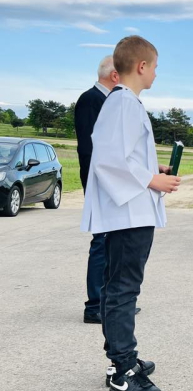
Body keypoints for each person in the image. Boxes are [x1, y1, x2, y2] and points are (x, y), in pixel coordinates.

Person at [81, 35, 180, 391]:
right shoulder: (123, 103)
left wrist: (154, 169)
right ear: (141, 66)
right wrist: (151, 179)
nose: (156, 72)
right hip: (128, 212)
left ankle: (121, 356)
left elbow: (126, 157)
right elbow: (107, 159)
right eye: (154, 66)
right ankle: (122, 371)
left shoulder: (125, 102)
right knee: (123, 289)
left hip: (132, 208)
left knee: (119, 286)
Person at [74, 55, 119, 324]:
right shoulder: (91, 100)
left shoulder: (107, 101)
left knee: (112, 245)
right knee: (101, 243)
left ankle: (110, 304)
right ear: (115, 75)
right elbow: (90, 149)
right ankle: (94, 306)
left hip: (109, 183)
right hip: (100, 184)